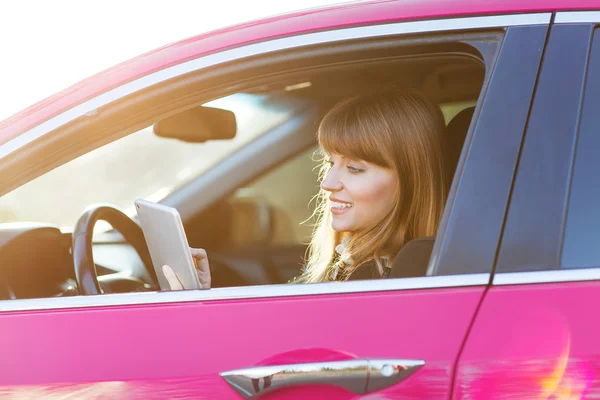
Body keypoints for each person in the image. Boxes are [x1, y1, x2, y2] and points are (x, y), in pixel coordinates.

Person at [163, 90, 447, 289]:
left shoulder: (377, 280)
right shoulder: (355, 262)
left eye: (355, 169)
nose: (328, 183)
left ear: (410, 181)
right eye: (330, 162)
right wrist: (205, 295)